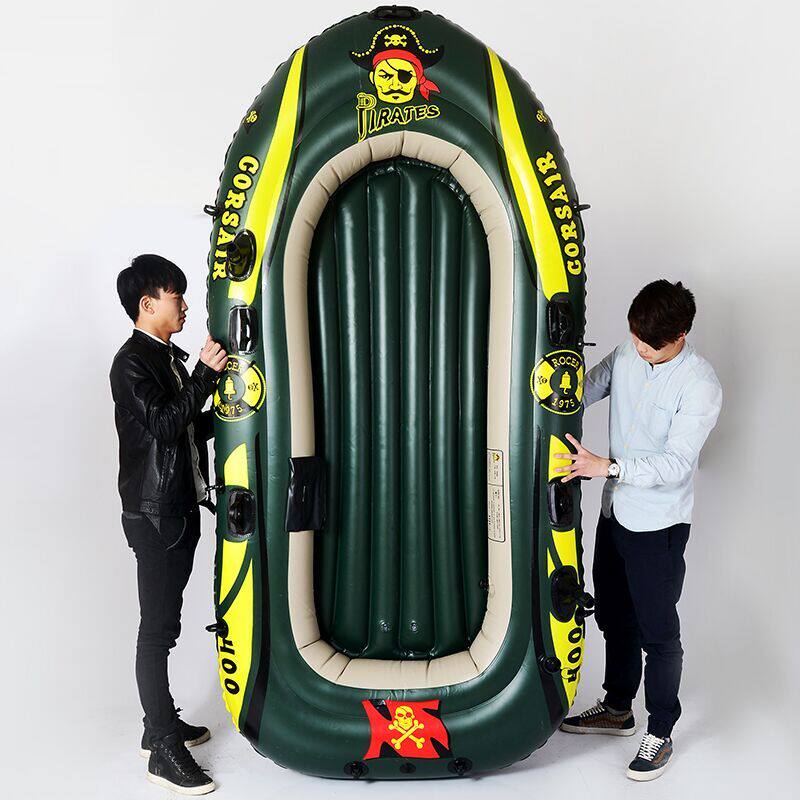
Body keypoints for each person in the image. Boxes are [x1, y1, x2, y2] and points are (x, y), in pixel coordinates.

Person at [555, 280, 723, 782]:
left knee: (659, 633)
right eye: (635, 338)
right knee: (612, 615)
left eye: (650, 344)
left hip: (658, 524)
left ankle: (661, 730)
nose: (640, 349)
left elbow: (675, 464)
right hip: (615, 513)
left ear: (681, 335)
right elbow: (585, 389)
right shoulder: (631, 349)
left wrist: (606, 467)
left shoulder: (700, 385)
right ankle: (617, 708)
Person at [110, 254, 227, 795]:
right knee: (157, 632)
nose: (184, 305)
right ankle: (161, 746)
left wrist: (228, 406)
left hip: (175, 507)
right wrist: (205, 374)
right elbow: (162, 423)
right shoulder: (131, 362)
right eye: (175, 295)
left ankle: (157, 723)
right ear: (147, 303)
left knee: (167, 625)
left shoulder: (164, 360)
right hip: (155, 516)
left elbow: (185, 428)